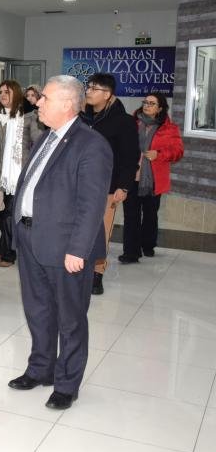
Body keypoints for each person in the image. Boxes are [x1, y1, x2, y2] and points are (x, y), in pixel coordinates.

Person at [8, 75, 112, 410]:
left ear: (67, 104)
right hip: (31, 238)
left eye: (45, 98)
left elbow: (91, 205)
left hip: (66, 246)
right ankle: (41, 369)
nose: (38, 102)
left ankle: (67, 384)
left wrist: (78, 250)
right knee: (38, 309)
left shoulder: (91, 144)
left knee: (70, 318)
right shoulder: (47, 136)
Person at [82, 73, 140, 295]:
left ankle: (97, 274)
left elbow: (129, 157)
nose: (88, 91)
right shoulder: (82, 118)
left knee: (102, 230)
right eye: (88, 87)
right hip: (79, 184)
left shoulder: (123, 121)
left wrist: (123, 186)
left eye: (94, 88)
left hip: (107, 187)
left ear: (107, 94)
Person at [119, 93, 184, 262]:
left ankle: (148, 244)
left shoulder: (169, 128)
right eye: (145, 102)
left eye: (151, 103)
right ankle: (130, 252)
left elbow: (178, 152)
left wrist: (159, 154)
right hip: (131, 177)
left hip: (154, 180)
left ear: (160, 108)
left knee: (150, 215)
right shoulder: (132, 123)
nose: (147, 105)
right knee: (131, 215)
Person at [0, 80, 43, 267]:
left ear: (16, 93)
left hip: (17, 173)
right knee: (2, 211)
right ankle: (4, 245)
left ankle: (9, 253)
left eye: (7, 92)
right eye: (1, 92)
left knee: (10, 213)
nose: (3, 95)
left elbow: (38, 142)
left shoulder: (28, 115)